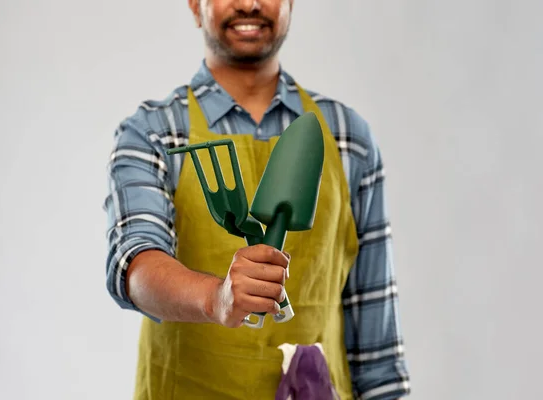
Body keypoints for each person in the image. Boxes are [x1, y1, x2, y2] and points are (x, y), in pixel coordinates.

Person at [103, 0, 411, 399]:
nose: (249, 4)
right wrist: (217, 298)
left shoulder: (346, 137)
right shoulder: (154, 132)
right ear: (196, 5)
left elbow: (375, 334)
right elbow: (136, 265)